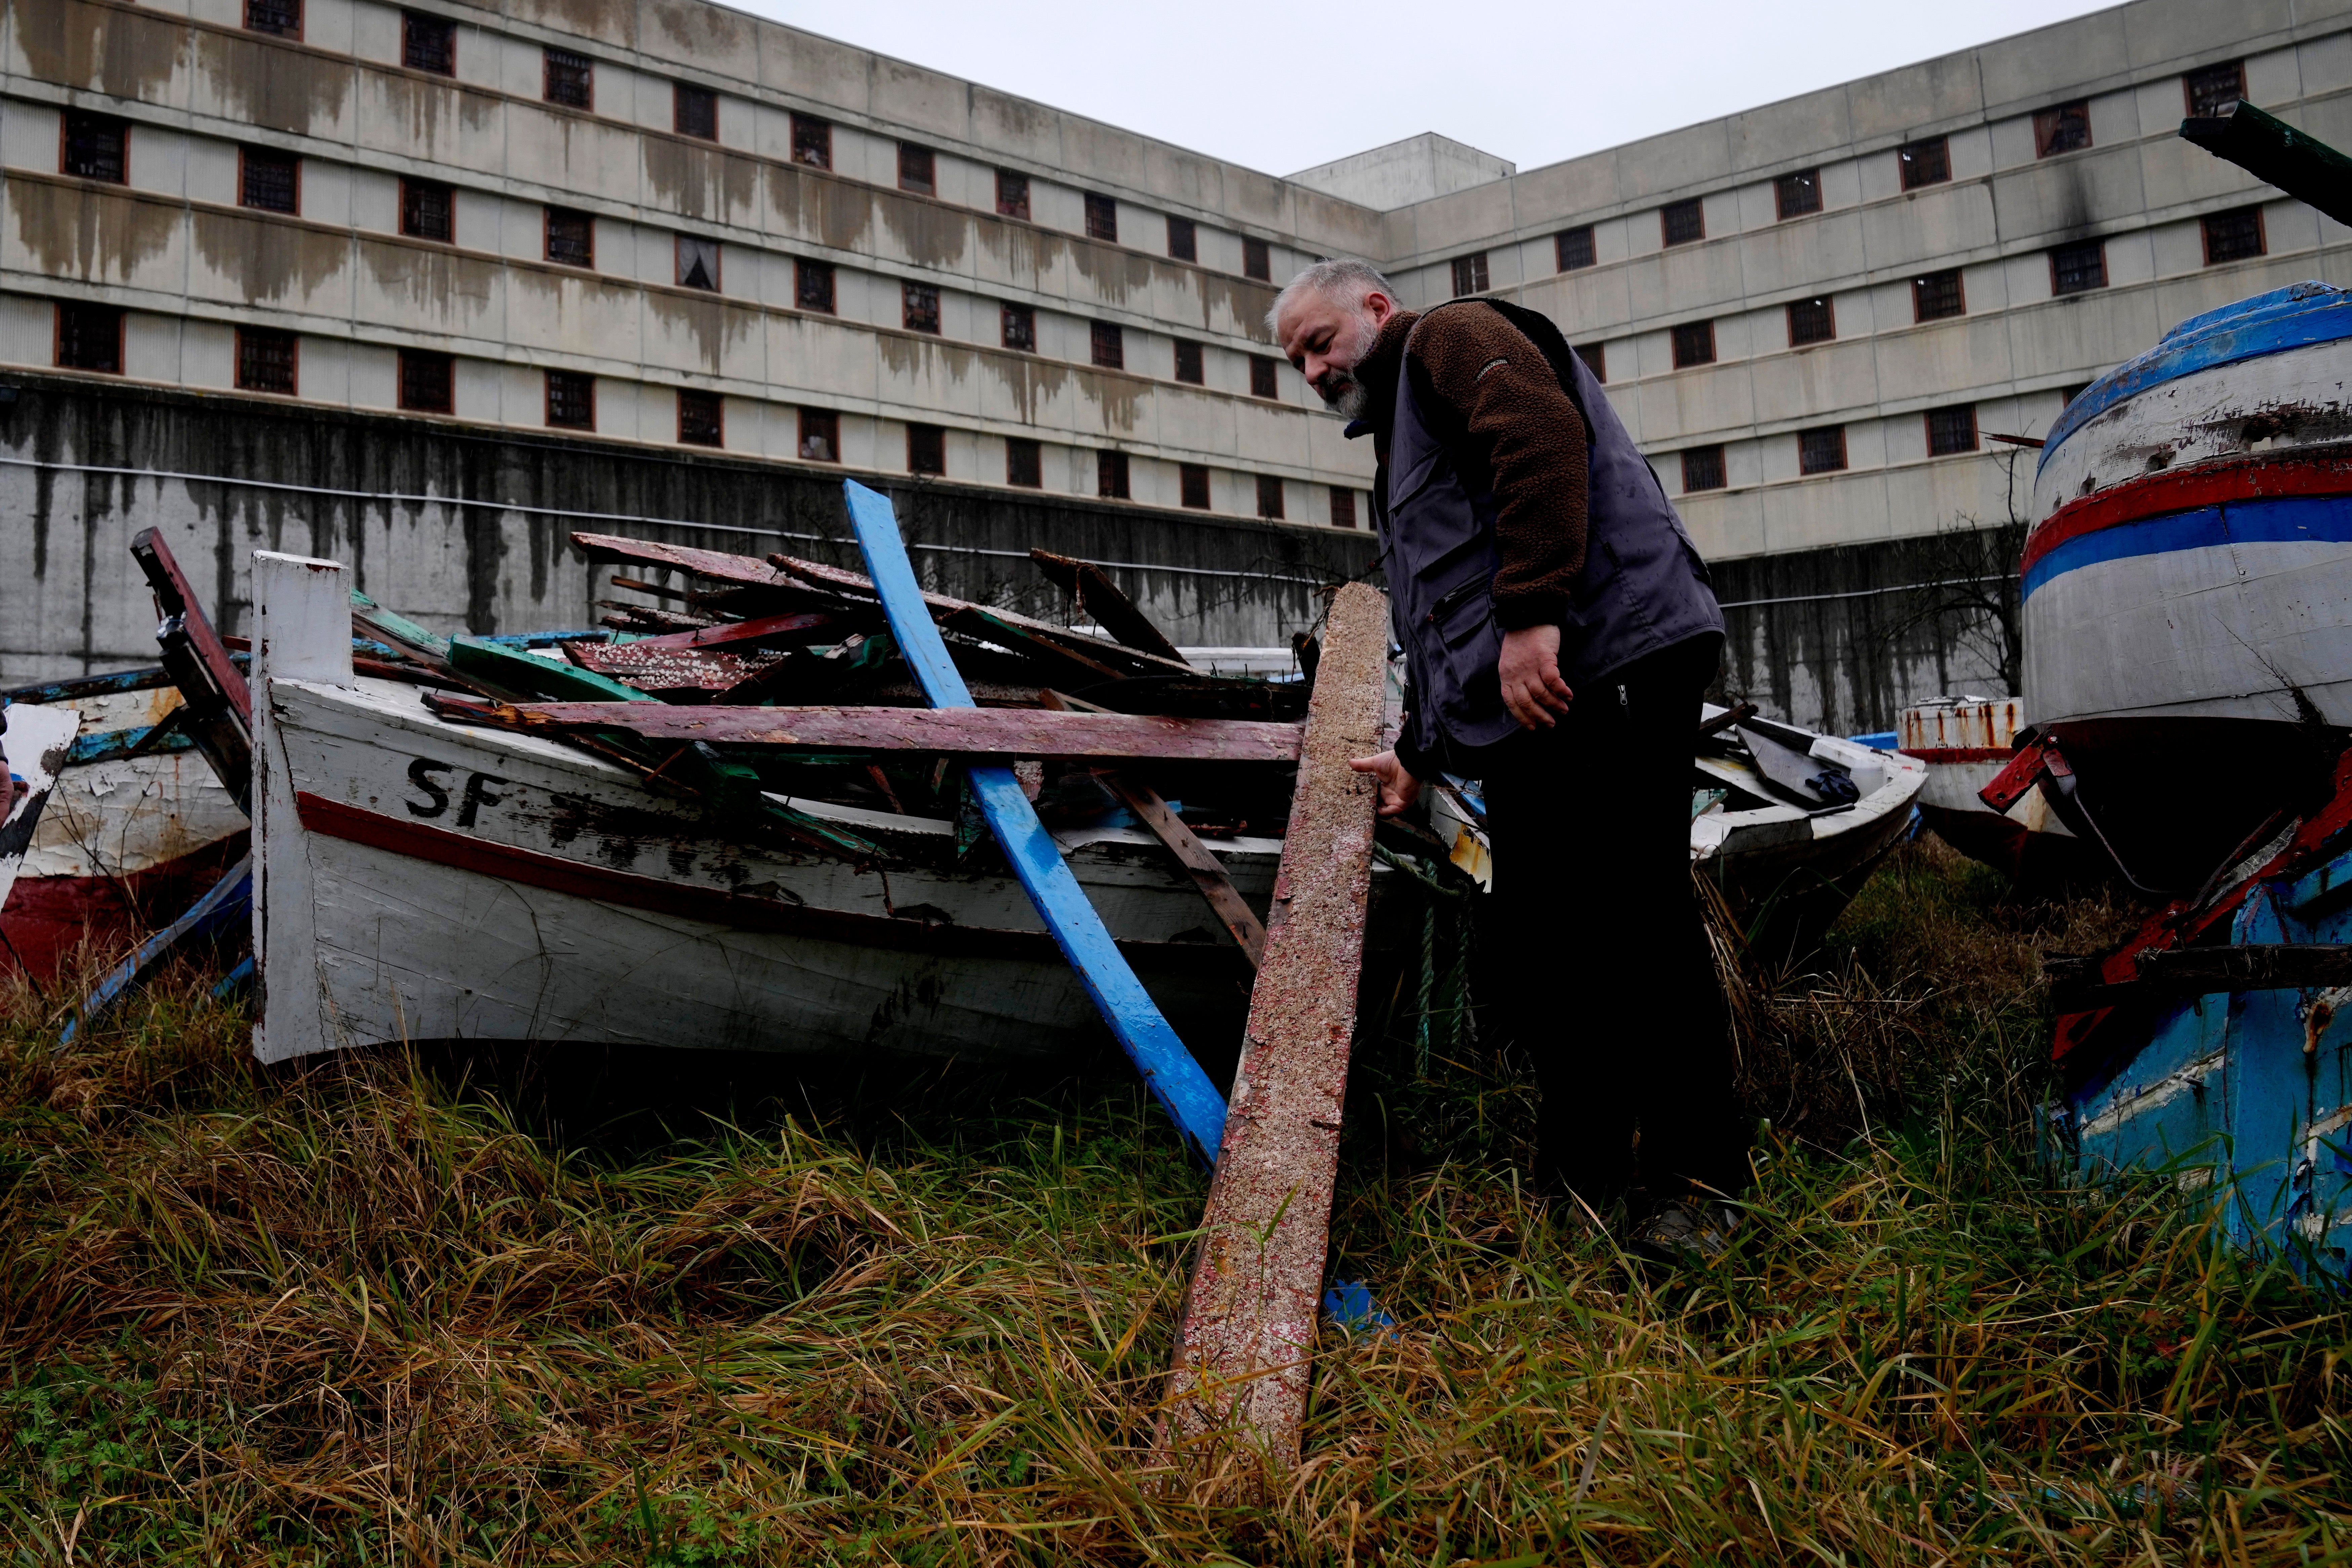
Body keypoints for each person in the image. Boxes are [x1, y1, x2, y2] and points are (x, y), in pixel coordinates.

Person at [1272, 258, 1748, 1255]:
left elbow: (1540, 438)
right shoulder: (1400, 438)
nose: (1312, 370)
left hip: (1607, 661)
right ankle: (1582, 1187)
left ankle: (1699, 1186)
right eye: (1295, 361)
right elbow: (1441, 624)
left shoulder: (1450, 338)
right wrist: (1418, 758)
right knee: (1547, 937)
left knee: (1638, 916)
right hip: (1543, 703)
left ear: (1376, 309)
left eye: (1319, 342)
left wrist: (1534, 614)